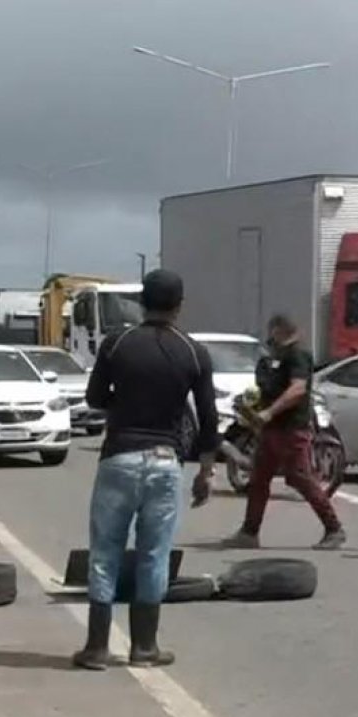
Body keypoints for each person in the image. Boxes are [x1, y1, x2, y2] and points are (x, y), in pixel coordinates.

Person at [74, 269, 218, 671]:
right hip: (165, 461)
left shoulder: (117, 343)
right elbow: (209, 421)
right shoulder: (192, 351)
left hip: (119, 456)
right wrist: (206, 473)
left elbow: (96, 397)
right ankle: (144, 648)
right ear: (180, 305)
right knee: (154, 554)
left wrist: (125, 399)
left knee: (105, 553)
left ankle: (97, 648)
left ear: (141, 301)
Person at [222, 314, 347, 550]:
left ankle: (334, 528)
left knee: (300, 477)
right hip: (272, 429)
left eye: (273, 332)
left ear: (280, 331)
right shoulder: (274, 359)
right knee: (259, 479)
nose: (270, 338)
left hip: (292, 428)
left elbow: (297, 389)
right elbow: (266, 389)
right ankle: (249, 532)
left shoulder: (298, 356)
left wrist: (270, 411)